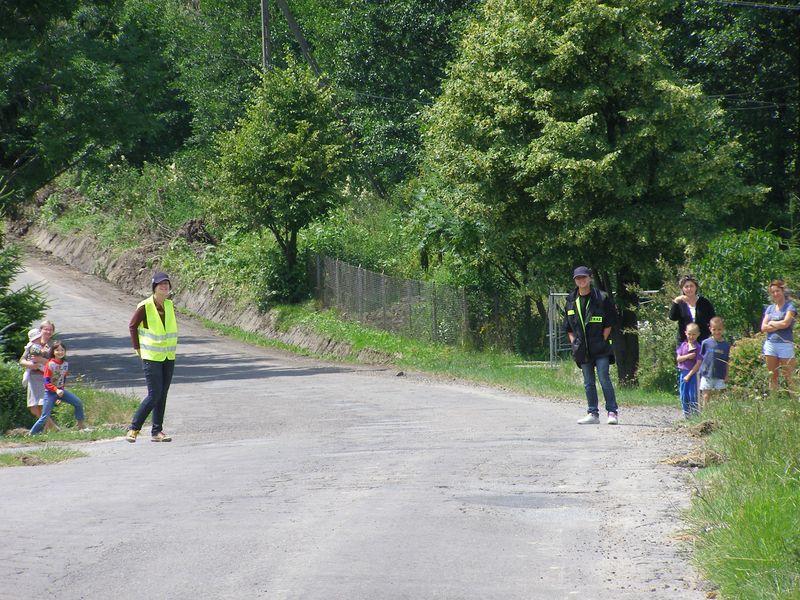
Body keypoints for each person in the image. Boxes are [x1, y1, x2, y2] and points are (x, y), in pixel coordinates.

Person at [126, 272, 178, 443]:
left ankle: (157, 431)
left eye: (166, 284)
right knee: (154, 394)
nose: (164, 287)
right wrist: (137, 349)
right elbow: (133, 326)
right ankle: (134, 428)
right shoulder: (145, 306)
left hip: (168, 356)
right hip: (151, 356)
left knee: (162, 394)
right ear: (154, 287)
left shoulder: (170, 305)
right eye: (160, 284)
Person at [563, 266, 619, 425]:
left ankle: (612, 412)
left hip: (600, 348)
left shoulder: (601, 297)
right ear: (575, 280)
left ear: (590, 278)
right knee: (588, 382)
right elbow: (568, 326)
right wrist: (574, 343)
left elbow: (609, 322)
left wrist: (602, 339)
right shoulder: (570, 300)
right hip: (582, 349)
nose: (581, 280)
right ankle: (592, 413)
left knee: (604, 378)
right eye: (578, 278)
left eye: (584, 277)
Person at [30, 341, 86, 434]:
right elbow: (46, 382)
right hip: (50, 392)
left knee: (78, 403)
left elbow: (63, 378)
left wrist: (61, 391)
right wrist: (56, 390)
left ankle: (81, 426)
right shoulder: (50, 364)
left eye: (62, 350)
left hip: (60, 391)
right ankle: (32, 433)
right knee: (44, 416)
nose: (60, 352)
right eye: (57, 350)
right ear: (53, 352)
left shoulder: (65, 364)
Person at [19, 320, 57, 431]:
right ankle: (51, 427)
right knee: (32, 407)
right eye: (46, 329)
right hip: (32, 377)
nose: (48, 332)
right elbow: (22, 360)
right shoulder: (32, 344)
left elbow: (56, 363)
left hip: (44, 377)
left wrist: (41, 360)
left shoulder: (53, 345)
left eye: (50, 330)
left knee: (41, 404)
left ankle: (50, 429)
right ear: (40, 330)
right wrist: (31, 365)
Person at [760, 279, 796, 390]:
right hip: (771, 344)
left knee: (790, 377)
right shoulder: (770, 308)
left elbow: (786, 323)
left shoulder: (790, 307)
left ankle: (795, 401)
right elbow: (763, 327)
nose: (775, 294)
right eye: (773, 292)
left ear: (782, 291)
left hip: (785, 344)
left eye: (777, 291)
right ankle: (773, 402)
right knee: (772, 376)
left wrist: (772, 323)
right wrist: (777, 325)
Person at [668, 275, 715, 343]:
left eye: (691, 286)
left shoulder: (704, 302)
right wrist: (676, 301)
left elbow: (712, 320)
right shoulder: (680, 303)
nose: (689, 289)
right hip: (684, 341)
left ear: (696, 287)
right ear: (682, 289)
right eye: (686, 287)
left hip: (702, 341)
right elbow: (672, 317)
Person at [699, 317, 730, 408]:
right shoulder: (706, 343)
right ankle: (705, 413)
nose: (717, 332)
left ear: (723, 329)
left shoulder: (726, 345)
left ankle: (717, 413)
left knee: (719, 395)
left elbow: (727, 361)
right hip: (707, 374)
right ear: (710, 329)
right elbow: (701, 358)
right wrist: (700, 371)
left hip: (720, 374)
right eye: (714, 329)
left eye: (719, 329)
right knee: (706, 395)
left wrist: (726, 375)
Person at [676, 323, 702, 418]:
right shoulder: (683, 345)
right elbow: (678, 359)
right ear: (686, 333)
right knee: (683, 394)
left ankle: (695, 416)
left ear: (698, 334)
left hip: (693, 374)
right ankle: (686, 414)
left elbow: (698, 363)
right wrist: (687, 356)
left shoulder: (698, 348)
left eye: (694, 334)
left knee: (693, 395)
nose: (691, 336)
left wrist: (689, 375)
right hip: (683, 372)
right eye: (689, 334)